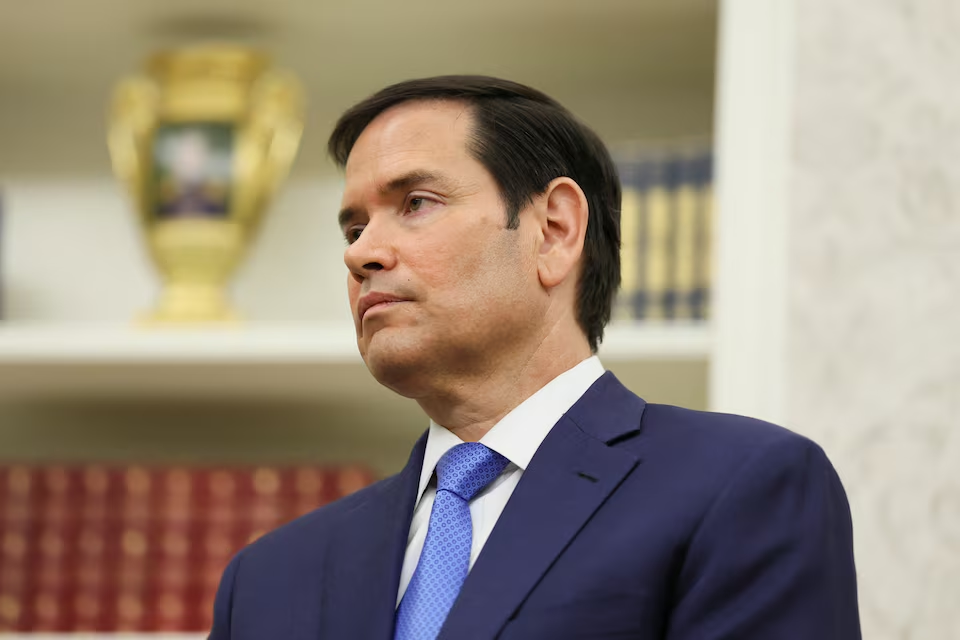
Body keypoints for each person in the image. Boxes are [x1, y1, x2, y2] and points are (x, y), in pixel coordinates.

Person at [208, 76, 861, 639]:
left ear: (555, 230)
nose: (360, 253)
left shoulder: (743, 487)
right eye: (354, 228)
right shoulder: (267, 578)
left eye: (416, 203)